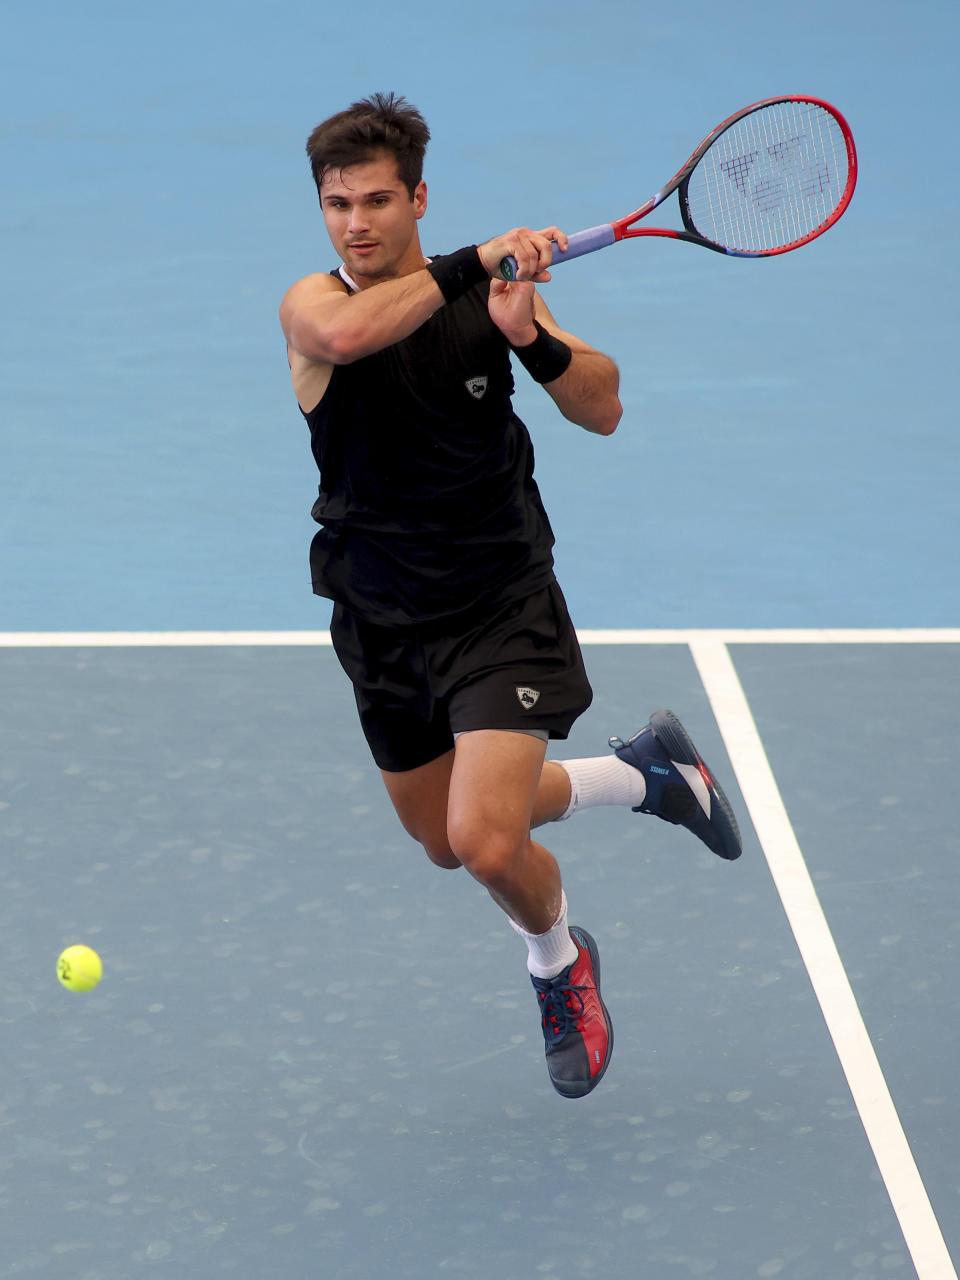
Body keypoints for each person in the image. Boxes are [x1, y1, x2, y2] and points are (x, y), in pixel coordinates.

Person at [279, 92, 741, 1101]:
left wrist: (528, 335)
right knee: (446, 840)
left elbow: (604, 406)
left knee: (489, 842)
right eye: (336, 202)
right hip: (379, 620)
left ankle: (559, 965)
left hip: (499, 605)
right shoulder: (313, 308)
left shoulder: (484, 303)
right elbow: (354, 336)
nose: (355, 222)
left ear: (418, 198)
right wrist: (465, 264)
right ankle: (644, 773)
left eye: (376, 200)